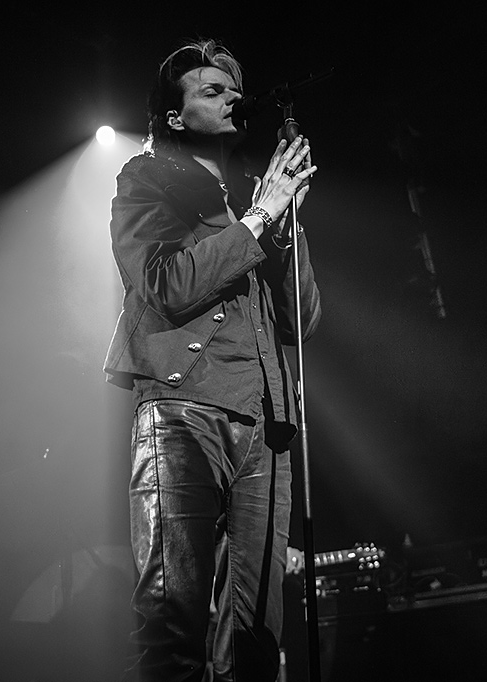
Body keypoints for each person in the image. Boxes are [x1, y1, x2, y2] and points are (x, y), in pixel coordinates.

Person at [103, 38, 322, 682]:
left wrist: (288, 228)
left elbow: (301, 318)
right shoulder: (143, 180)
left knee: (256, 631)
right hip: (182, 409)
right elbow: (167, 284)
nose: (232, 99)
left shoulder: (255, 201)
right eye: (211, 91)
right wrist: (256, 222)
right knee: (174, 614)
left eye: (233, 90)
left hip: (265, 425)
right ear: (176, 116)